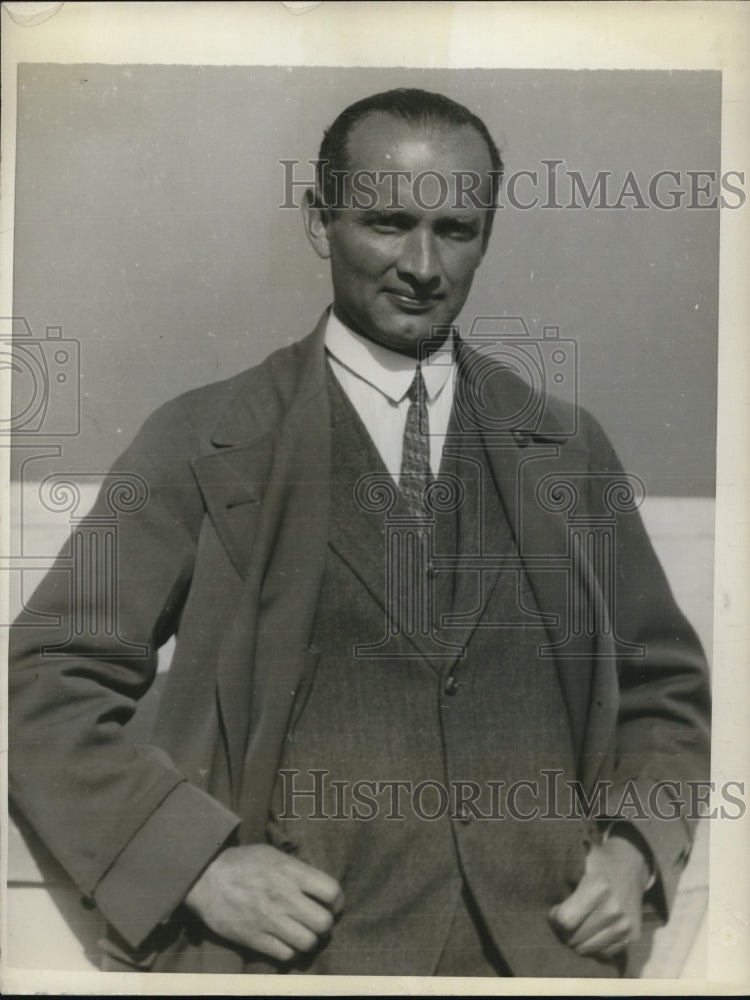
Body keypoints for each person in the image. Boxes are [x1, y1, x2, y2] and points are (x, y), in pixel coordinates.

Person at [9, 88, 710, 978]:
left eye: (456, 230)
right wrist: (192, 863)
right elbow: (43, 681)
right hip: (297, 968)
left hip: (544, 960)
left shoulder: (566, 448)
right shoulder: (204, 438)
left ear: (487, 235)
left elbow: (666, 690)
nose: (422, 263)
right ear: (319, 220)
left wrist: (636, 848)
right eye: (386, 222)